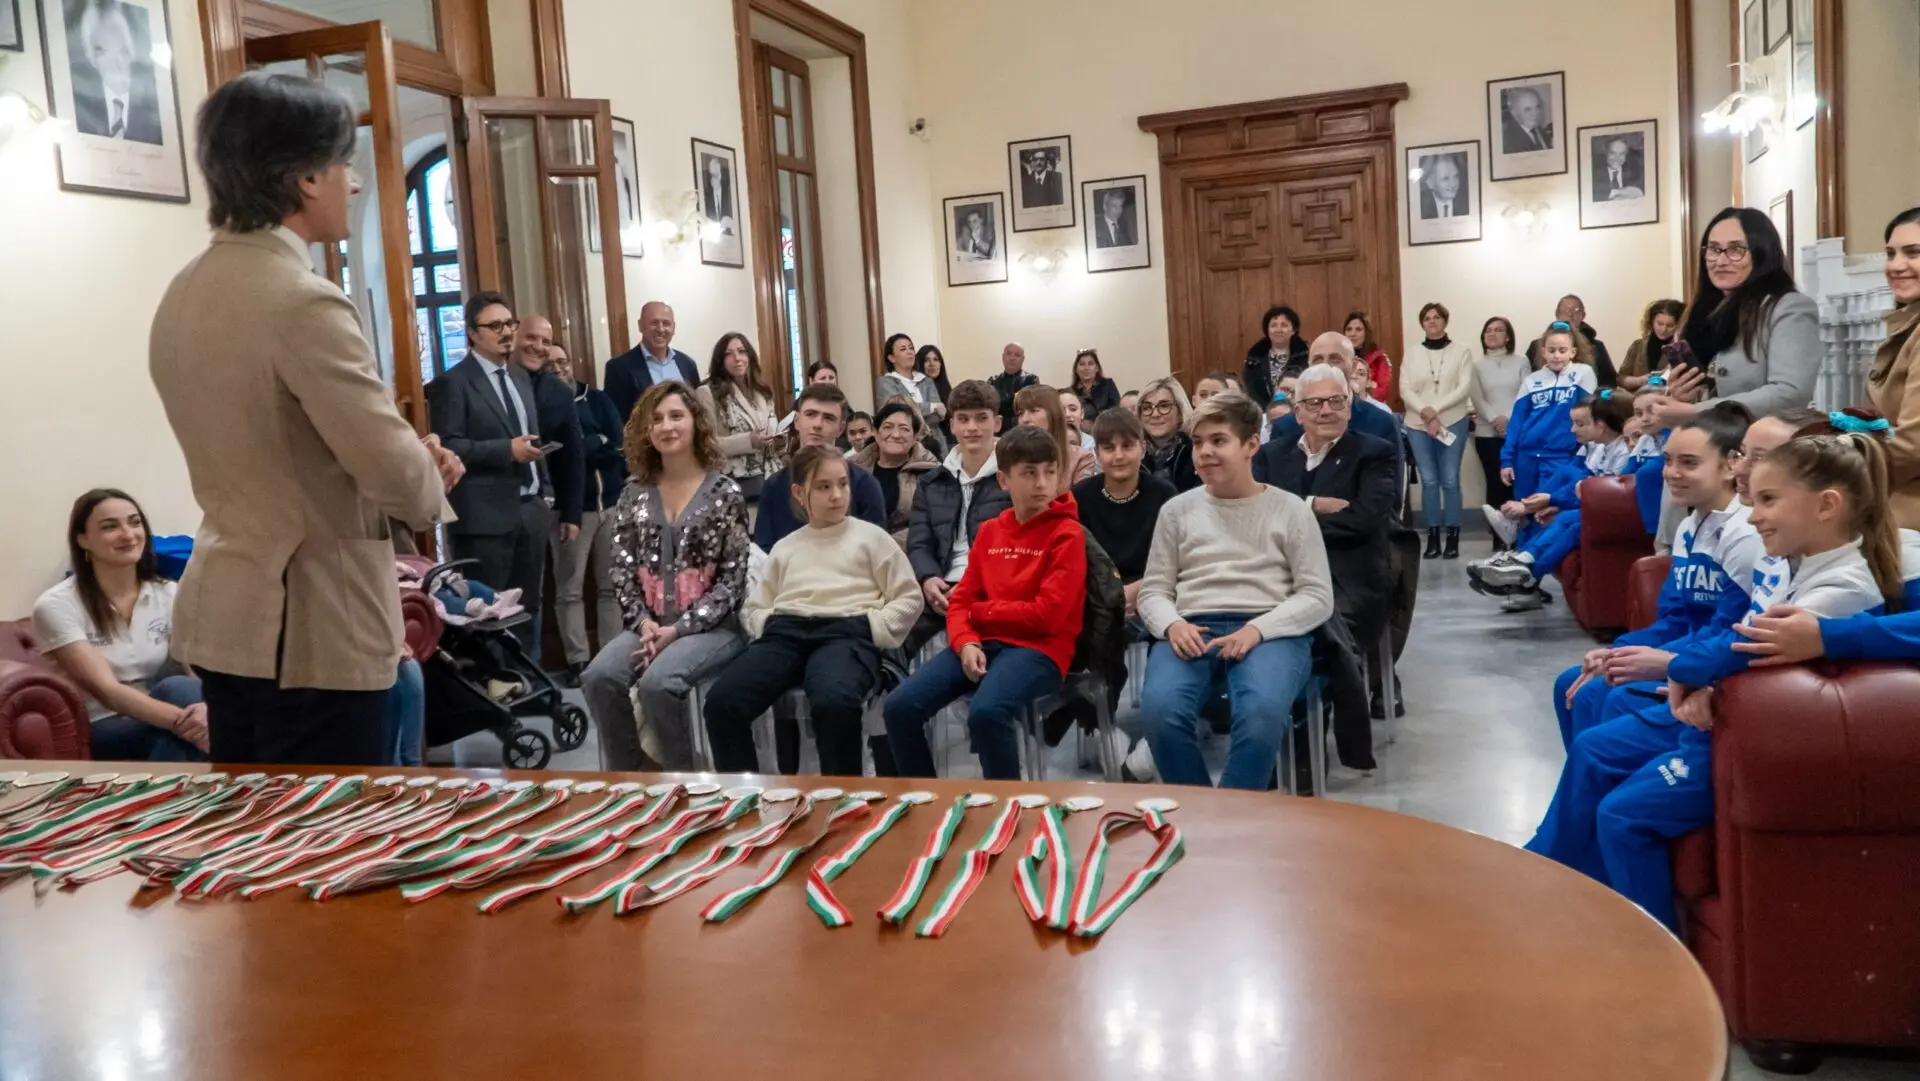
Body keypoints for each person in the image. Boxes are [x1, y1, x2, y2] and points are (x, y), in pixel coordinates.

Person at [153, 72, 455, 764]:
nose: (355, 181)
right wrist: (425, 466)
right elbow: (401, 481)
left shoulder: (183, 291)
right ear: (307, 177)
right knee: (330, 826)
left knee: (254, 822)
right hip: (314, 622)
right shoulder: (302, 300)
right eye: (345, 162)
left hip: (228, 611)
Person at [1529, 430, 1901, 933]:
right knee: (1597, 752)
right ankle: (1561, 876)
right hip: (1729, 718)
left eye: (1768, 500)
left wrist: (1686, 671)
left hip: (1755, 738)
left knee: (1622, 815)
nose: (1754, 514)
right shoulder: (1792, 563)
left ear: (1826, 506)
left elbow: (1741, 648)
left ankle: (1654, 952)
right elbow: (1735, 636)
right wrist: (1700, 677)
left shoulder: (1842, 586)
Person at [1137, 393, 1334, 790]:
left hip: (1269, 629)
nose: (1205, 452)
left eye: (1218, 440)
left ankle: (1233, 812)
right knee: (1160, 712)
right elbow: (1154, 590)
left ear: (1251, 445)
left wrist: (1258, 630)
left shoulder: (1291, 510)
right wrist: (1172, 625)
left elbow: (1316, 596)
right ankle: (1202, 810)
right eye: (1198, 442)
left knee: (1260, 713)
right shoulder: (1176, 511)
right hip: (1192, 626)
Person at [1551, 403, 1762, 749]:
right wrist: (1617, 652)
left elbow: (1728, 631)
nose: (1671, 473)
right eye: (1667, 460)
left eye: (1689, 463)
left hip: (1712, 664)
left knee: (1604, 695)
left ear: (1729, 466)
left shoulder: (1746, 534)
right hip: (1687, 650)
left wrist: (1666, 662)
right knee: (1570, 683)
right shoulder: (1689, 527)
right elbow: (1674, 620)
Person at [703, 448, 922, 775]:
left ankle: (840, 795)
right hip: (785, 632)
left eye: (843, 484)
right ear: (799, 493)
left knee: (834, 702)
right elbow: (755, 605)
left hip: (846, 632)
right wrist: (767, 623)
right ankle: (743, 794)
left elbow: (909, 598)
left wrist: (873, 626)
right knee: (723, 703)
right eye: (823, 487)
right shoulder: (786, 547)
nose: (837, 495)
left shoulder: (872, 539)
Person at [885, 426, 1087, 780]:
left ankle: (1005, 803)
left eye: (1050, 472)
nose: (1042, 483)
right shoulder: (992, 531)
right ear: (1004, 481)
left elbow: (1047, 615)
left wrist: (982, 613)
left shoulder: (1067, 534)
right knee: (899, 707)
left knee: (987, 712)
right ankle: (928, 799)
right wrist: (965, 641)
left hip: (1039, 650)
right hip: (982, 642)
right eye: (1029, 473)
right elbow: (960, 601)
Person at [582, 382, 750, 771]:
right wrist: (644, 624)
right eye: (656, 419)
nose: (666, 426)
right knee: (599, 676)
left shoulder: (725, 492)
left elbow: (732, 582)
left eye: (676, 416)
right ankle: (632, 778)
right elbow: (621, 570)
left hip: (713, 628)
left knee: (658, 684)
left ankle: (687, 781)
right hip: (648, 625)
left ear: (696, 423)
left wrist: (677, 631)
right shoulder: (632, 494)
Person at [33, 490, 206, 761]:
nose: (128, 534)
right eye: (110, 527)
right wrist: (192, 724)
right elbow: (108, 692)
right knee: (178, 693)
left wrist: (209, 711)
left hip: (169, 708)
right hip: (108, 723)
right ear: (82, 539)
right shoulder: (57, 605)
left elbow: (194, 668)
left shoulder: (168, 593)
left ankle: (176, 788)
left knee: (184, 701)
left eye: (135, 523)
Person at [431, 291, 554, 653]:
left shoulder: (519, 376)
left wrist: (545, 493)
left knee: (528, 608)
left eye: (510, 324)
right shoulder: (453, 383)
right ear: (472, 333)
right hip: (483, 520)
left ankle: (527, 678)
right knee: (488, 615)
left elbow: (531, 435)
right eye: (495, 326)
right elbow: (450, 445)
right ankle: (495, 683)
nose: (507, 332)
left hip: (530, 511)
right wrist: (506, 450)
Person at [1253, 363, 1397, 643]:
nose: (1327, 410)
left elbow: (1363, 521)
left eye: (1336, 401)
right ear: (1298, 413)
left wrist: (1284, 521)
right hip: (1275, 575)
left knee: (1318, 634)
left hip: (1343, 577)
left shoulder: (1374, 454)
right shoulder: (1269, 456)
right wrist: (1312, 504)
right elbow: (1256, 512)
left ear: (1349, 408)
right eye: (1315, 403)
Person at [1471, 390, 1633, 611]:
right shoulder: (1596, 447)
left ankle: (1525, 568)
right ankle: (1522, 560)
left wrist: (1553, 500)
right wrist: (1552, 503)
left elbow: (1602, 494)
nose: (1572, 429)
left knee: (1567, 514)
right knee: (1557, 496)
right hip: (1592, 503)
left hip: (1605, 510)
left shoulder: (1622, 451)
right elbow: (1583, 485)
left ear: (1600, 425)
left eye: (1581, 424)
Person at [1664, 207, 1821, 422]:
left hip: (1761, 439)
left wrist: (1697, 411)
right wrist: (1683, 396)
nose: (1721, 261)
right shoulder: (1701, 314)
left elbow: (1790, 394)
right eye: (1714, 249)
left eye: (1736, 249)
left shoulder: (1789, 308)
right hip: (1707, 438)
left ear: (1761, 254)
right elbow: (1710, 390)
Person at [903, 379, 1013, 655]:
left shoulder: (1012, 479)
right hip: (939, 586)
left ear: (997, 423)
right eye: (963, 419)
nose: (971, 427)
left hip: (991, 591)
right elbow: (919, 541)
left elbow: (1016, 548)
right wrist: (928, 578)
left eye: (981, 418)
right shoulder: (931, 482)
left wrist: (972, 586)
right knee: (892, 639)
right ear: (951, 425)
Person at [548, 344, 627, 687]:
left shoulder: (596, 399)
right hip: (569, 511)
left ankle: (610, 657)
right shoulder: (543, 404)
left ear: (572, 364)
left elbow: (619, 444)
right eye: (550, 365)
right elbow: (556, 455)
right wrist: (595, 443)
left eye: (562, 362)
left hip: (610, 505)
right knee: (569, 589)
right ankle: (577, 660)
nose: (558, 369)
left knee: (611, 587)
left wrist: (584, 446)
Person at [1491, 321, 1599, 550]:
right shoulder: (1532, 380)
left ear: (1573, 352)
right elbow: (1517, 421)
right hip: (1527, 456)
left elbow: (1586, 413)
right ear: (1543, 352)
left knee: (1543, 510)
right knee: (1523, 513)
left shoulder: (1583, 373)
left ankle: (1532, 559)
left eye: (1562, 350)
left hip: (1560, 455)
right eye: (1551, 350)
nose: (1557, 355)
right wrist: (1507, 459)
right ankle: (1518, 557)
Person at [1074, 409, 1177, 624]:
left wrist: (1141, 590)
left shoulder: (1164, 495)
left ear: (1142, 448)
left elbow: (1175, 560)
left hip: (1153, 596)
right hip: (1093, 601)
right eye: (1109, 448)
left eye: (1127, 446)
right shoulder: (1080, 496)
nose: (1118, 456)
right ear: (1097, 452)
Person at [755, 383, 886, 549]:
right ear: (797, 421)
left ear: (841, 429)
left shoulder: (865, 485)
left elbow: (876, 549)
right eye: (810, 414)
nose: (817, 424)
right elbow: (763, 552)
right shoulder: (774, 486)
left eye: (828, 418)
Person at [1400, 301, 1476, 559]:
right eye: (1427, 318)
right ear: (1422, 323)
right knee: (1429, 481)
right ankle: (1432, 536)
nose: (1432, 321)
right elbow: (1405, 388)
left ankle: (1453, 536)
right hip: (1417, 423)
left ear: (1445, 321)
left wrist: (1435, 410)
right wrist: (1425, 411)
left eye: (1437, 317)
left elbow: (1463, 387)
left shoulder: (1462, 351)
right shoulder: (1412, 353)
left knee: (1450, 479)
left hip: (1452, 420)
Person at [1868, 207, 1920, 527]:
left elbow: (1913, 446)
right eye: (1890, 254)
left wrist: (1829, 469)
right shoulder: (1908, 323)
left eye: (1913, 253)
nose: (1896, 266)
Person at [694, 332, 780, 504]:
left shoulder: (762, 392)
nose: (737, 358)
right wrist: (748, 441)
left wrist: (778, 440)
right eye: (729, 354)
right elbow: (706, 444)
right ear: (720, 361)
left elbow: (772, 428)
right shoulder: (707, 393)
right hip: (734, 484)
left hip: (771, 476)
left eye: (742, 351)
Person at [851, 401, 941, 544]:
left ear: (915, 437)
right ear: (875, 433)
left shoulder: (931, 472)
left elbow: (931, 523)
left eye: (904, 429)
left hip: (908, 550)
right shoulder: (853, 469)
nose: (895, 435)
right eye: (887, 427)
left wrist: (885, 545)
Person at [72, 0, 162, 144]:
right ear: (91, 58)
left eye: (124, 50)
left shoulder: (155, 110)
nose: (120, 62)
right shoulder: (79, 110)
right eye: (106, 51)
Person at [604, 301, 701, 422]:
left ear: (673, 328)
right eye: (654, 323)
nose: (661, 329)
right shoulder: (618, 368)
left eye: (666, 323)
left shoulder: (688, 365)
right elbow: (617, 421)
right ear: (640, 326)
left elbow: (697, 412)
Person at [1471, 316, 1527, 511]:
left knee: (1516, 481)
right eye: (1488, 330)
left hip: (1515, 432)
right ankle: (1496, 528)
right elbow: (1477, 398)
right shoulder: (1476, 365)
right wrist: (1495, 419)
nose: (1492, 333)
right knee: (1494, 482)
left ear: (1508, 336)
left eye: (1498, 329)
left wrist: (1507, 419)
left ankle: (1517, 526)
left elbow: (1525, 394)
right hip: (1486, 433)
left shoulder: (1521, 362)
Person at [1015, 384, 1099, 486]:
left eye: (1033, 411)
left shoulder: (1081, 458)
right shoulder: (1012, 456)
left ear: (1054, 414)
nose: (1025, 419)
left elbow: (1080, 495)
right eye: (1020, 413)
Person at [1525, 295, 1616, 387]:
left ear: (1583, 315)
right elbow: (1529, 379)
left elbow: (1609, 381)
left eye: (1576, 310)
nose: (1570, 315)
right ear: (1557, 314)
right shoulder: (1537, 345)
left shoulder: (1596, 346)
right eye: (1565, 310)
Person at [1137, 376, 1199, 492]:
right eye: (1147, 408)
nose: (1155, 414)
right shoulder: (1133, 454)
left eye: (1164, 406)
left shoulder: (1195, 451)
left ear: (1180, 412)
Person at [875, 333, 943, 435]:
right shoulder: (886, 382)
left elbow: (940, 414)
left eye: (911, 348)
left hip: (934, 438)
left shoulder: (926, 381)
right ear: (892, 358)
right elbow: (895, 411)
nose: (909, 352)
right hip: (902, 437)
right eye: (903, 349)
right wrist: (931, 407)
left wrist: (913, 412)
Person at [1243, 304, 1309, 406]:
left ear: (1293, 330)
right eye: (1273, 325)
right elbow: (1250, 390)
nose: (1279, 330)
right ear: (1267, 330)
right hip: (1262, 411)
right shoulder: (1254, 359)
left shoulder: (1305, 356)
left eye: (1284, 325)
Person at [1615, 298, 1685, 392]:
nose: (1663, 329)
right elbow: (1621, 379)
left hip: (1668, 398)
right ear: (1652, 322)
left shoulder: (1682, 349)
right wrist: (1640, 380)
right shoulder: (1637, 346)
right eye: (1659, 324)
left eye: (1670, 325)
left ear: (1679, 325)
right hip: (1636, 398)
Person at [989, 341, 1038, 431]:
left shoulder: (1031, 379)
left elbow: (1026, 405)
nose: (1012, 358)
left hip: (1022, 427)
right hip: (997, 428)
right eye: (1009, 354)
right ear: (1003, 357)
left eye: (1017, 355)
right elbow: (990, 405)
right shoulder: (993, 380)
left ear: (1023, 359)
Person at [1343, 312, 1392, 401]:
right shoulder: (1339, 357)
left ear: (1366, 333)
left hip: (1369, 404)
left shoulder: (1379, 357)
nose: (1352, 334)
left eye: (1358, 329)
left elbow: (1382, 392)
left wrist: (1359, 387)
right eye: (1349, 329)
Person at [916, 344, 954, 443]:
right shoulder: (915, 390)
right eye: (926, 360)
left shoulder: (948, 390)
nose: (932, 364)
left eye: (936, 359)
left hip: (951, 441)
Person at [1069, 348, 1121, 417]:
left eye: (1090, 364)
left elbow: (1117, 410)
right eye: (1082, 364)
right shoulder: (1070, 392)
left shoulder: (1108, 385)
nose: (1086, 368)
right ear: (1076, 369)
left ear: (1097, 368)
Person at [1592, 136, 1645, 201]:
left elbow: (1641, 191)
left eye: (1622, 154)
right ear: (1606, 152)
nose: (1617, 158)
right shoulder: (1594, 172)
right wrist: (1617, 193)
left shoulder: (1634, 170)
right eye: (1613, 153)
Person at [1501, 86, 1553, 153]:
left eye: (1537, 107)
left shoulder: (1537, 129)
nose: (1535, 113)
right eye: (1527, 109)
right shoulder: (1507, 141)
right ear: (1513, 112)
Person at [1417, 155, 1468, 219]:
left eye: (1456, 176)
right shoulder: (1421, 207)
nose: (1453, 184)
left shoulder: (1467, 203)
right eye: (1445, 179)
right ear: (1430, 183)